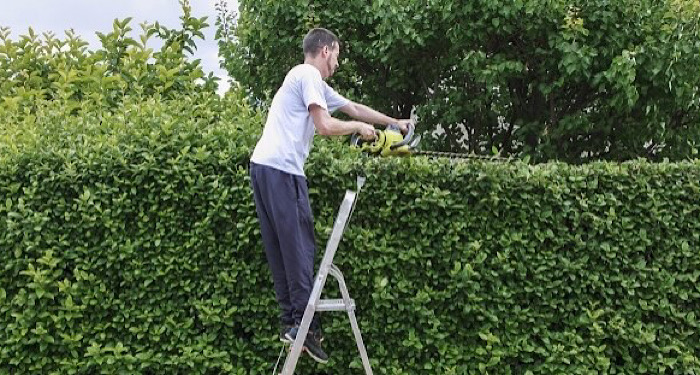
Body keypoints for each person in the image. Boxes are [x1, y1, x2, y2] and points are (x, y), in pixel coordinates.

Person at [249, 27, 412, 364]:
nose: (338, 62)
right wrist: (357, 130)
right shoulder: (307, 73)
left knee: (281, 248)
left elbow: (353, 107)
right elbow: (325, 126)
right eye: (337, 54)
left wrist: (392, 122)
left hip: (263, 167)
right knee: (299, 246)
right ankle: (305, 328)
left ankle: (292, 324)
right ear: (326, 50)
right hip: (282, 171)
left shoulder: (310, 82)